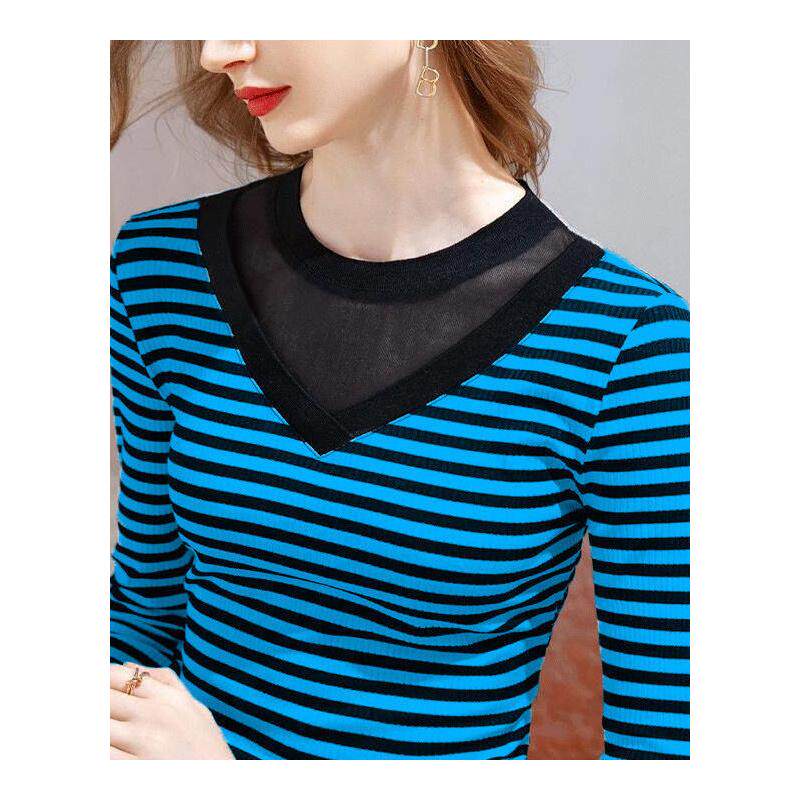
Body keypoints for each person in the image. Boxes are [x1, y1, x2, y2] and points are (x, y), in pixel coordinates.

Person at [109, 40, 690, 760]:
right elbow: (144, 606)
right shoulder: (161, 268)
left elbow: (667, 753)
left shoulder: (629, 345)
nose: (216, 53)